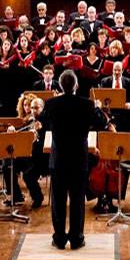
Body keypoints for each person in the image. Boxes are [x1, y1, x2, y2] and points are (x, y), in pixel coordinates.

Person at [40, 70, 107, 249]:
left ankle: (59, 239)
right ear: (76, 85)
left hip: (59, 159)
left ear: (60, 86)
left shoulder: (52, 103)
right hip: (78, 158)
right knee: (77, 200)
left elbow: (43, 121)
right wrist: (98, 107)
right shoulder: (87, 104)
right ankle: (77, 239)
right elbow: (102, 123)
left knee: (58, 201)